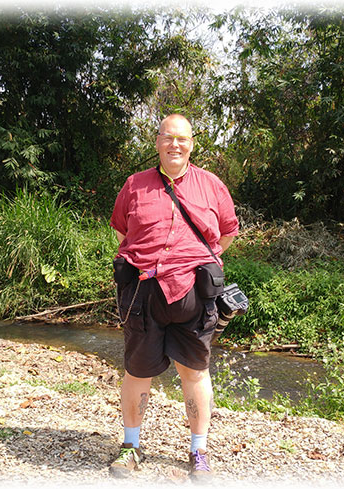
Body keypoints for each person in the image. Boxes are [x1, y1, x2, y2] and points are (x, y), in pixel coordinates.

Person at [108, 114, 239, 481]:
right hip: (143, 294)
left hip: (194, 294)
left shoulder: (211, 185)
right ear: (157, 142)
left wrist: (192, 259)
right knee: (137, 371)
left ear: (192, 144)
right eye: (168, 138)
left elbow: (226, 234)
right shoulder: (134, 185)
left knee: (195, 372)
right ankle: (130, 446)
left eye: (182, 139)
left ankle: (199, 451)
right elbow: (121, 231)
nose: (175, 145)